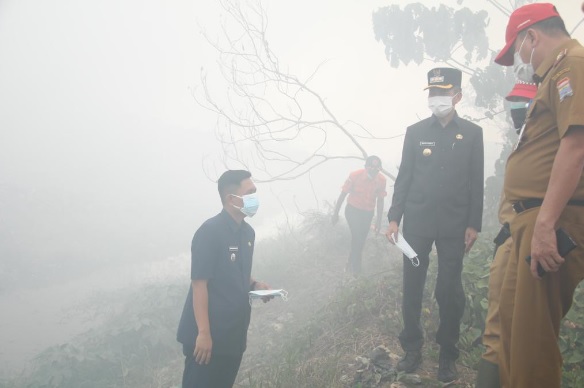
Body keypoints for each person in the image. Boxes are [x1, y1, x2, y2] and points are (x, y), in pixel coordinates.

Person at [493, 3, 584, 387]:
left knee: (532, 344)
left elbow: (577, 146)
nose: (521, 62)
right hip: (530, 218)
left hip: (550, 218)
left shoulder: (572, 65)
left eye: (518, 51)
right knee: (513, 334)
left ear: (532, 36)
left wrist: (546, 224)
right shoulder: (556, 74)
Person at [385, 67, 484, 383]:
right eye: (432, 92)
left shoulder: (471, 133)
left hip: (455, 226)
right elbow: (405, 177)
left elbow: (475, 182)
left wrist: (474, 224)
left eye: (443, 92)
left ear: (457, 95)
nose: (436, 98)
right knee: (412, 286)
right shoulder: (415, 132)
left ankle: (447, 355)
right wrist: (393, 218)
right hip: (417, 226)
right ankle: (412, 349)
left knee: (449, 290)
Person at [176, 170, 272, 388]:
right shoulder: (210, 231)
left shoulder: (247, 233)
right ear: (231, 198)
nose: (254, 198)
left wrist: (256, 285)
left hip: (233, 336)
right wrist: (204, 334)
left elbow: (238, 273)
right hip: (207, 339)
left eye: (255, 192)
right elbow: (199, 284)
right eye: (250, 192)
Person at [475, 80, 537, 388]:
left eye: (523, 105)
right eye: (512, 105)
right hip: (509, 238)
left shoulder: (550, 147)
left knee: (523, 331)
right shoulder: (521, 143)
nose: (517, 112)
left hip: (532, 242)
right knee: (496, 329)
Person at [332, 155, 387, 276]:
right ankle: (356, 269)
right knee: (357, 236)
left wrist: (378, 221)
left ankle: (350, 263)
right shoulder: (355, 175)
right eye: (371, 168)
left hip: (367, 213)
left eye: (376, 169)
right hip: (353, 210)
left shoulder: (381, 180)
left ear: (379, 169)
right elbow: (343, 194)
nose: (373, 171)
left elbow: (380, 200)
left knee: (361, 240)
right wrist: (335, 213)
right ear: (366, 167)